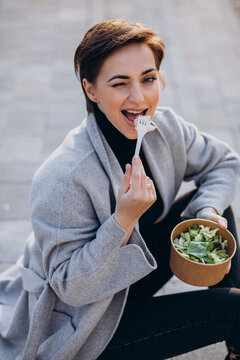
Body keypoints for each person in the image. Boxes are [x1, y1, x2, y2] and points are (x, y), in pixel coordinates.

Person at [0, 19, 240, 360]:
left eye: (148, 78)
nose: (139, 98)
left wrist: (208, 210)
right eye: (119, 84)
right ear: (91, 90)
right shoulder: (63, 177)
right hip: (89, 320)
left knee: (215, 215)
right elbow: (71, 289)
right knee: (234, 308)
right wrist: (123, 220)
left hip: (129, 278)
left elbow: (225, 162)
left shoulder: (164, 128)